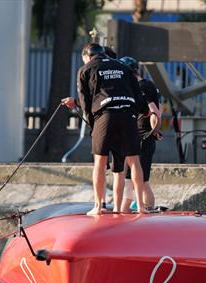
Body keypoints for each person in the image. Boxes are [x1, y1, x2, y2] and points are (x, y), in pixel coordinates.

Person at [62, 43, 147, 215]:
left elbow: (85, 102)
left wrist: (93, 126)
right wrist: (141, 112)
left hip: (105, 114)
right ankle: (142, 207)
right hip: (128, 113)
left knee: (100, 161)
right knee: (134, 160)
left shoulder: (86, 69)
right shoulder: (123, 67)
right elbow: (138, 96)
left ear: (87, 56)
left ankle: (98, 206)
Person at [119, 56, 162, 211]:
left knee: (142, 181)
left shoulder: (142, 86)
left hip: (143, 138)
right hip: (138, 137)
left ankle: (148, 209)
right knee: (130, 179)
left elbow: (154, 112)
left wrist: (153, 131)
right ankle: (123, 211)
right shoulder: (147, 85)